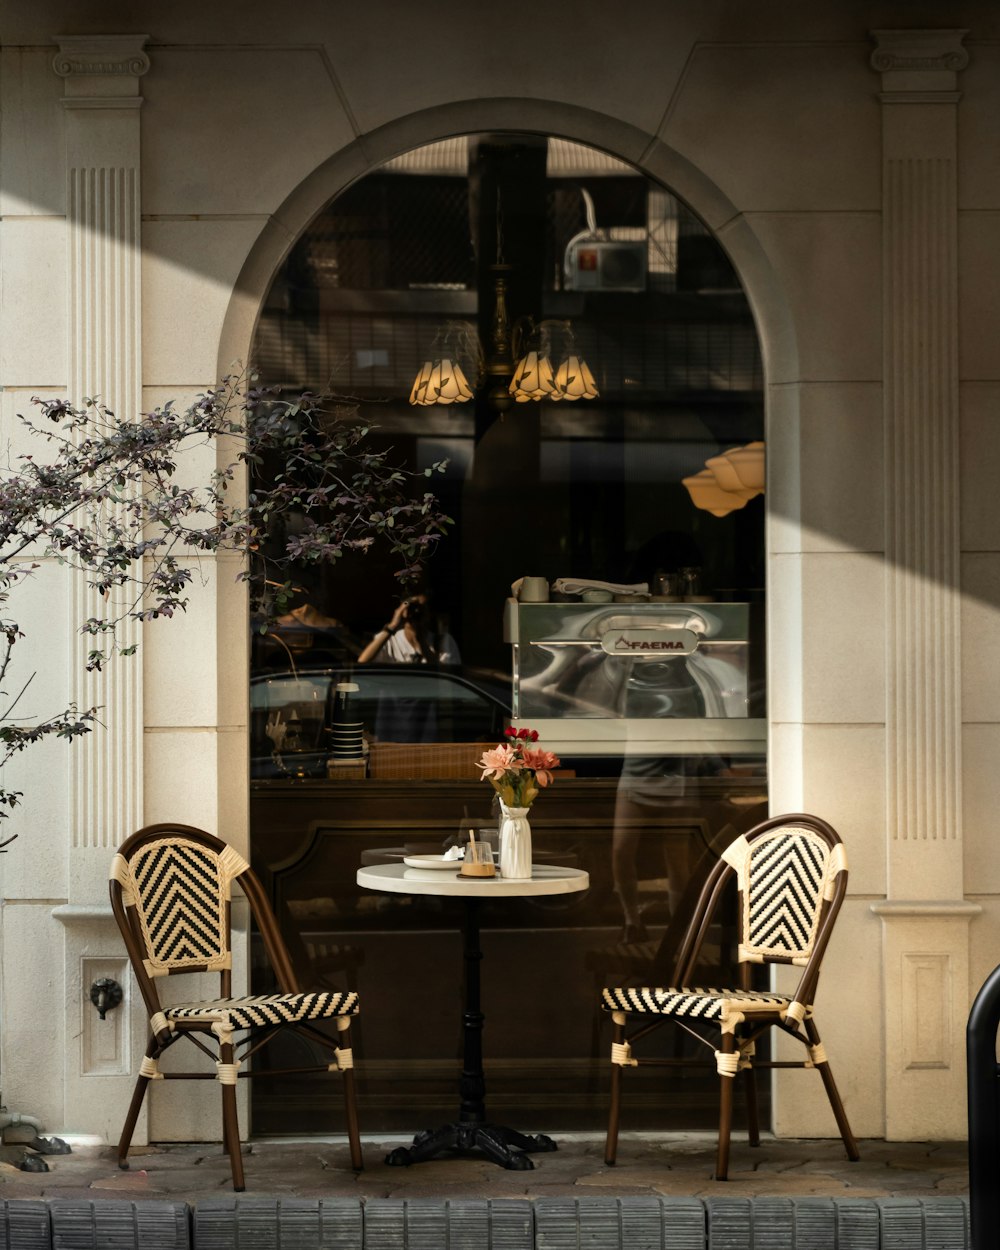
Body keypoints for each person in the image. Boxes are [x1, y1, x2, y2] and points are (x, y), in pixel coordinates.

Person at [357, 592, 460, 666]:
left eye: (421, 609)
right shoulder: (388, 640)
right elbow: (362, 662)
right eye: (411, 607)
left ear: (429, 615)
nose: (415, 612)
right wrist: (392, 625)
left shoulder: (444, 641)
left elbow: (447, 679)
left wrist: (421, 642)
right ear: (401, 611)